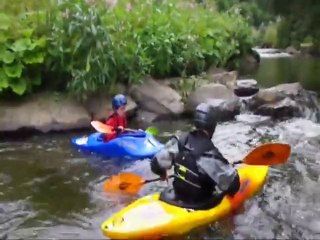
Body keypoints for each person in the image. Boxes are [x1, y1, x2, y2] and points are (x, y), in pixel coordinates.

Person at [150, 102, 240, 210]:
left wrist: (161, 172)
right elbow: (233, 186)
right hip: (197, 204)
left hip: (175, 196)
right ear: (212, 126)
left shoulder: (180, 140)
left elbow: (155, 163)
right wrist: (229, 169)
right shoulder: (210, 154)